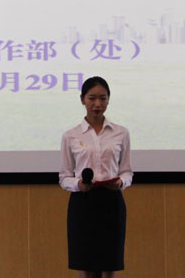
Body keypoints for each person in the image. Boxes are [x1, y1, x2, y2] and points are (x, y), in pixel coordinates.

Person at [59, 76, 133, 278]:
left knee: (109, 266)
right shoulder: (71, 135)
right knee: (87, 266)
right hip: (83, 203)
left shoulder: (121, 133)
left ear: (109, 99)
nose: (97, 104)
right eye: (92, 98)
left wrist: (121, 182)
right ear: (82, 100)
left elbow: (127, 171)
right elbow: (64, 177)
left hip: (111, 202)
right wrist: (79, 184)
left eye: (103, 98)